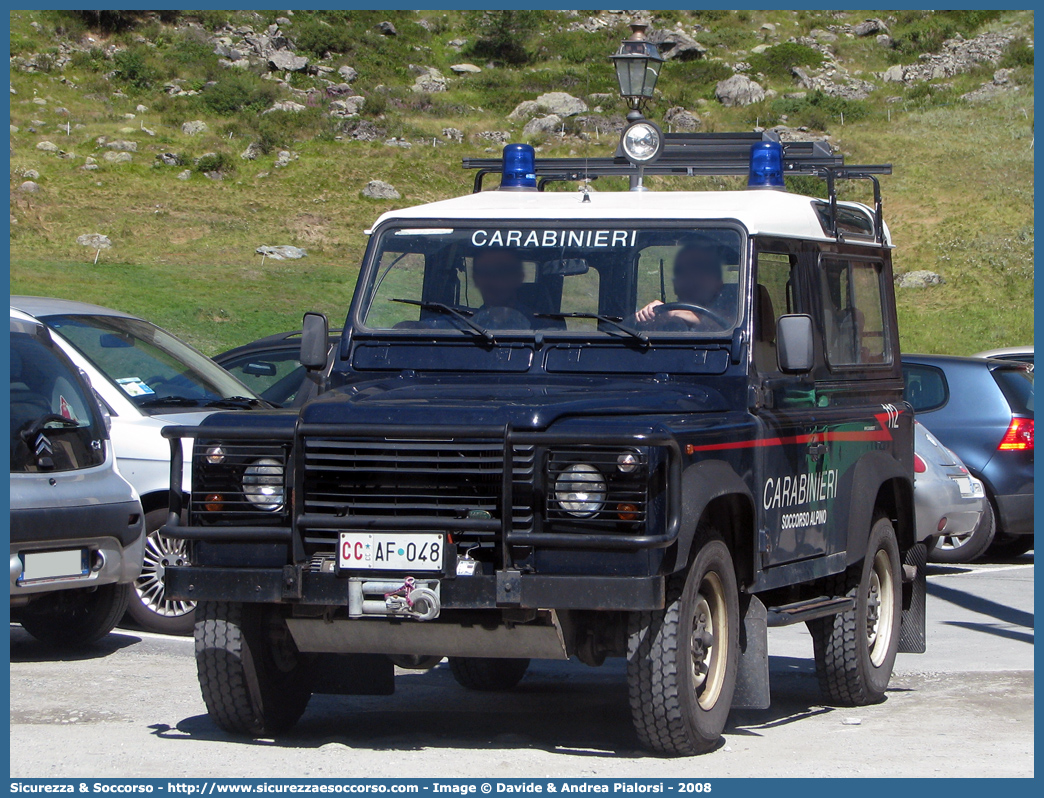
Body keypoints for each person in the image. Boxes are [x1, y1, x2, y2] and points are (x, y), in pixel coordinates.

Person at [633, 243, 732, 330]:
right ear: (675, 283)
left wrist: (676, 313)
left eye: (701, 270)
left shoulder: (737, 312)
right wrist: (648, 318)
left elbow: (731, 326)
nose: (692, 278)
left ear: (718, 282)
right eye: (682, 272)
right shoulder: (665, 319)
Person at [470, 249, 535, 328]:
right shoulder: (460, 328)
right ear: (475, 278)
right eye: (484, 272)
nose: (493, 280)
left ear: (519, 277)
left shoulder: (543, 328)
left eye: (502, 271)